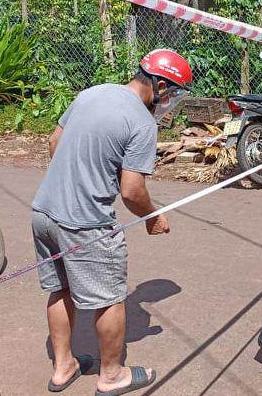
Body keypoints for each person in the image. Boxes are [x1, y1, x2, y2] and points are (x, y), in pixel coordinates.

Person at [31, 49, 193, 395]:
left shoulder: (93, 92)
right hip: (85, 225)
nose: (172, 102)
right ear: (160, 86)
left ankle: (63, 368)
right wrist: (153, 217)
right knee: (111, 298)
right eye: (175, 93)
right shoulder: (141, 123)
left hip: (43, 211)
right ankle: (112, 375)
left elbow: (54, 142)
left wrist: (75, 180)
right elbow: (132, 191)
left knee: (60, 289)